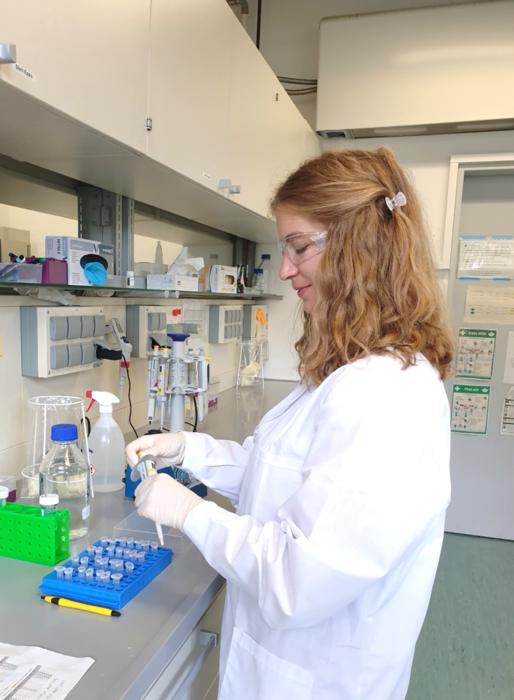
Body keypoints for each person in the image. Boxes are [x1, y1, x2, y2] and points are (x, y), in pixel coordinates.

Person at [126, 147, 453, 700]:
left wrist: (192, 513)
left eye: (300, 247)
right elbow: (279, 471)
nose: (284, 269)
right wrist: (191, 450)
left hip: (320, 679)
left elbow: (296, 579)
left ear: (359, 247)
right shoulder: (349, 371)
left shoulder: (385, 394)